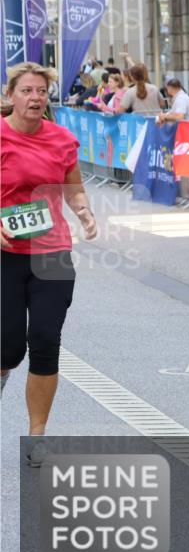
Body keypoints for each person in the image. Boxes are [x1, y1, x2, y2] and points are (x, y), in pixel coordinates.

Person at [1, 63, 98, 466]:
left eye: (41, 91)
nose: (35, 98)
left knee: (44, 340)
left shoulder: (61, 139)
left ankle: (36, 435)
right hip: (6, 255)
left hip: (52, 254)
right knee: (6, 347)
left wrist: (84, 211)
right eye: (27, 90)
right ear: (12, 96)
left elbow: (72, 184)